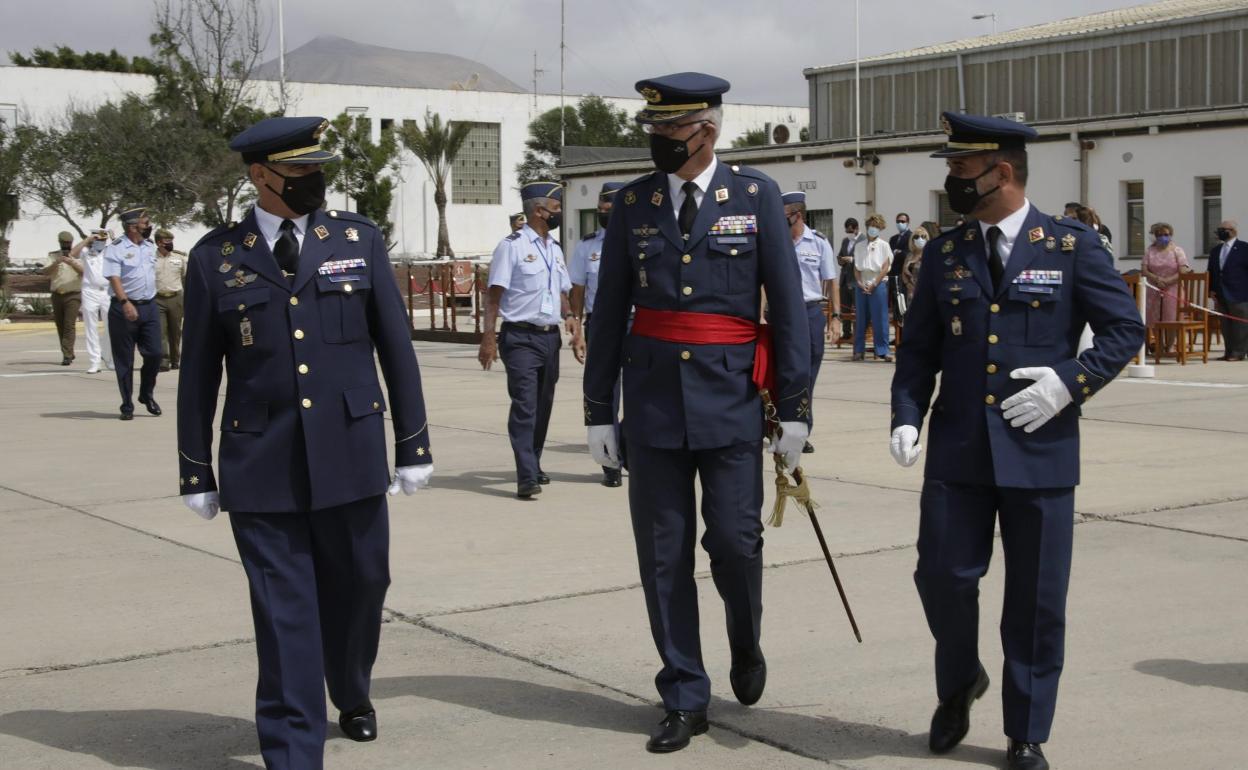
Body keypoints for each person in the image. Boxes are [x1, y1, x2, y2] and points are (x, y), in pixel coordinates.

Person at [177, 116, 433, 770]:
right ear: (260, 176)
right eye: (299, 172)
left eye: (319, 169)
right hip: (261, 463)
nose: (314, 180)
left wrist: (413, 444)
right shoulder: (216, 258)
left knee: (364, 584)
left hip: (350, 452)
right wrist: (194, 469)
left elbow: (395, 348)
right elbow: (200, 371)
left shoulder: (357, 240)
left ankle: (351, 687)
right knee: (285, 617)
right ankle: (294, 752)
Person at [890, 112, 1144, 770]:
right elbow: (918, 351)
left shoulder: (1071, 246)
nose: (952, 180)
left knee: (1034, 601)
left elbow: (1123, 331)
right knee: (941, 577)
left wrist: (1069, 383)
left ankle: (1026, 731)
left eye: (960, 169)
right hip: (960, 447)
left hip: (1042, 449)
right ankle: (958, 685)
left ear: (1001, 172)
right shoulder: (946, 252)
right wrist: (907, 414)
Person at [583, 72, 810, 754]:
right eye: (651, 130)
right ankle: (684, 693)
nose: (655, 141)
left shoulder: (756, 196)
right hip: (651, 403)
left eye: (668, 130)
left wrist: (795, 410)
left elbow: (788, 306)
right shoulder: (633, 203)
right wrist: (600, 409)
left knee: (735, 543)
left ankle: (745, 635)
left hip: (732, 400)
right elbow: (610, 309)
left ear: (705, 131)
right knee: (663, 556)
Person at [478, 181, 578, 498]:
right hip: (519, 337)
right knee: (525, 404)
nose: (559, 214)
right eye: (557, 209)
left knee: (543, 404)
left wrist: (572, 319)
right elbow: (494, 295)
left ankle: (532, 461)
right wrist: (488, 338)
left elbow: (562, 292)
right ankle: (526, 475)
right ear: (539, 211)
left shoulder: (555, 249)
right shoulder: (512, 246)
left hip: (549, 339)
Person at [570, 181, 624, 487]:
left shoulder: (640, 242)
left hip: (636, 324)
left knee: (645, 393)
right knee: (605, 393)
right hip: (601, 324)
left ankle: (629, 448)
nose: (603, 215)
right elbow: (577, 289)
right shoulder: (587, 247)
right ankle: (611, 463)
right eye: (600, 210)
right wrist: (578, 328)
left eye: (608, 210)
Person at [783, 190, 840, 452]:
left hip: (810, 312)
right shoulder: (778, 241)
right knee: (785, 372)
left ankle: (801, 430)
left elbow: (831, 281)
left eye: (785, 216)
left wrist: (835, 318)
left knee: (807, 374)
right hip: (783, 312)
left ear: (798, 215)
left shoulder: (818, 242)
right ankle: (778, 427)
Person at [103, 207, 162, 420]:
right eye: (145, 223)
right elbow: (113, 277)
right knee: (125, 359)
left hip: (149, 306)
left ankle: (146, 393)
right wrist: (125, 302)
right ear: (132, 226)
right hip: (123, 308)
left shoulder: (148, 246)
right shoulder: (116, 248)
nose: (148, 227)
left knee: (155, 354)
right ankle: (127, 403)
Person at [1141, 222, 1191, 352]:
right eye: (1160, 235)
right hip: (1154, 287)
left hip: (1173, 288)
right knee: (1154, 318)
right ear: (1155, 236)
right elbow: (1144, 270)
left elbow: (1183, 270)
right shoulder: (1150, 251)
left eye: (1166, 234)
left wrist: (1168, 280)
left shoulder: (1177, 250)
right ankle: (1159, 345)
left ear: (1171, 235)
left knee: (1171, 317)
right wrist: (1157, 279)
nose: (1163, 237)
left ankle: (1169, 346)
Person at [71, 230, 114, 373]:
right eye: (98, 239)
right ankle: (95, 361)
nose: (101, 242)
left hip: (107, 291)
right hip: (90, 291)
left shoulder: (110, 250)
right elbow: (73, 254)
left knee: (110, 327)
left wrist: (113, 239)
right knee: (91, 327)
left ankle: (108, 358)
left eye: (103, 239)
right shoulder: (86, 251)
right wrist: (87, 240)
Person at [853, 213, 892, 361]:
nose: (873, 229)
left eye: (876, 227)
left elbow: (885, 266)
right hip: (862, 283)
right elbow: (856, 267)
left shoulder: (884, 245)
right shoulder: (859, 246)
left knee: (880, 318)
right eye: (871, 226)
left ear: (880, 228)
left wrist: (875, 283)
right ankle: (858, 350)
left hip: (878, 283)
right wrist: (859, 282)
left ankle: (882, 350)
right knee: (861, 318)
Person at [1208, 219, 1248, 361]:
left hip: (1239, 292)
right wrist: (1211, 290)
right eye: (1220, 229)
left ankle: (1238, 352)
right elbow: (1211, 271)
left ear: (1233, 231)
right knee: (1225, 324)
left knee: (1240, 324)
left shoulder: (1244, 248)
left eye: (1223, 229)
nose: (1220, 232)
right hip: (1220, 292)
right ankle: (1229, 351)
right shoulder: (1216, 250)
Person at [43, 231, 82, 366]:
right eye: (63, 244)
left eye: (68, 244)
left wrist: (72, 263)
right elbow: (45, 272)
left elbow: (84, 273)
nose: (66, 246)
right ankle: (68, 351)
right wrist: (56, 262)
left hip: (73, 295)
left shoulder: (78, 256)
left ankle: (67, 355)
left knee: (69, 325)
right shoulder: (53, 256)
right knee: (60, 325)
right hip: (57, 294)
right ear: (59, 243)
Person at [154, 228, 188, 371]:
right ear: (158, 243)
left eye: (171, 241)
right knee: (160, 331)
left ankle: (175, 359)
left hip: (176, 297)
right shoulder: (150, 258)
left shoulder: (179, 258)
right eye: (166, 241)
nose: (170, 244)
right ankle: (163, 360)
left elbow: (185, 278)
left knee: (176, 331)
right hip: (157, 298)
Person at [837, 217, 861, 339]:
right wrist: (841, 260)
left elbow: (866, 259)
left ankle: (858, 333)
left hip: (856, 280)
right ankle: (846, 332)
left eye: (851, 231)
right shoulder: (845, 241)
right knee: (844, 308)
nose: (849, 234)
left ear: (856, 229)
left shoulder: (863, 240)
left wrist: (851, 260)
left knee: (857, 309)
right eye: (847, 231)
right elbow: (840, 255)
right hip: (844, 279)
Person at [889, 212, 913, 322]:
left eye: (902, 221)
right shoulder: (893, 239)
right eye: (898, 221)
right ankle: (898, 337)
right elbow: (889, 255)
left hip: (903, 276)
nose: (900, 223)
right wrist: (896, 253)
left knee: (903, 306)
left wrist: (898, 253)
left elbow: (908, 254)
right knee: (895, 306)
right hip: (892, 275)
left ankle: (904, 335)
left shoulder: (911, 237)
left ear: (908, 223)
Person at [901, 225, 931, 305]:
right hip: (911, 292)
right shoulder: (909, 255)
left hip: (926, 291)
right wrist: (908, 285)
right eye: (916, 237)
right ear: (912, 240)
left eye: (923, 236)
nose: (920, 239)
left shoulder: (930, 255)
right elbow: (903, 273)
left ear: (927, 239)